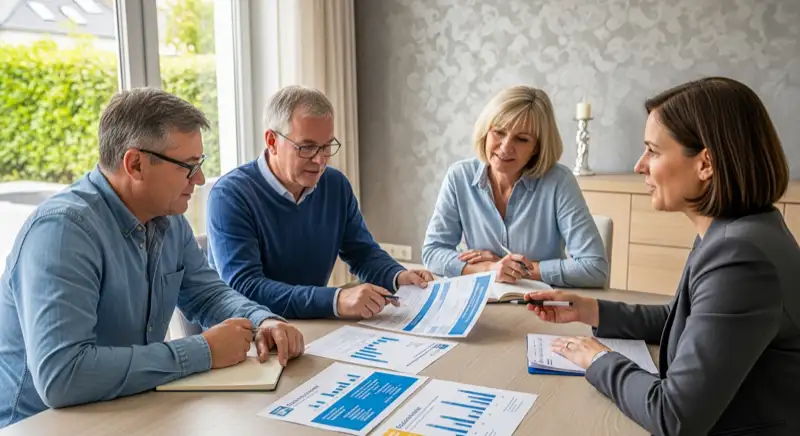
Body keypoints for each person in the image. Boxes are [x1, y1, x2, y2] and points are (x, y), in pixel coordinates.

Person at [0, 88, 305, 428]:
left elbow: (207, 294)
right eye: (188, 167)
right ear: (135, 164)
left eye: (200, 164)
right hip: (40, 425)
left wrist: (262, 320)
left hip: (129, 409)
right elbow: (63, 377)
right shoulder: (62, 232)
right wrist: (203, 351)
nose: (200, 180)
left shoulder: (168, 218)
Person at [525, 77, 800, 435]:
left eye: (653, 151)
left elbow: (673, 417)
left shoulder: (740, 257)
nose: (640, 165)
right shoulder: (737, 230)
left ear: (706, 164)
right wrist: (590, 309)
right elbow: (683, 319)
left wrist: (597, 359)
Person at [206, 85, 434, 320]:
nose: (319, 160)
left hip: (309, 325)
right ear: (272, 141)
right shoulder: (230, 196)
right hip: (247, 336)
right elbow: (246, 288)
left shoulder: (335, 185)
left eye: (326, 146)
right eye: (306, 147)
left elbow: (362, 253)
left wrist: (398, 276)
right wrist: (335, 300)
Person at [421, 85, 608, 288]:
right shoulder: (459, 176)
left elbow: (594, 268)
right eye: (499, 132)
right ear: (486, 131)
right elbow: (433, 251)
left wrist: (518, 269)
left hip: (541, 305)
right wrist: (489, 268)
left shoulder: (559, 182)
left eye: (521, 139)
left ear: (536, 147)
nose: (505, 147)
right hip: (482, 300)